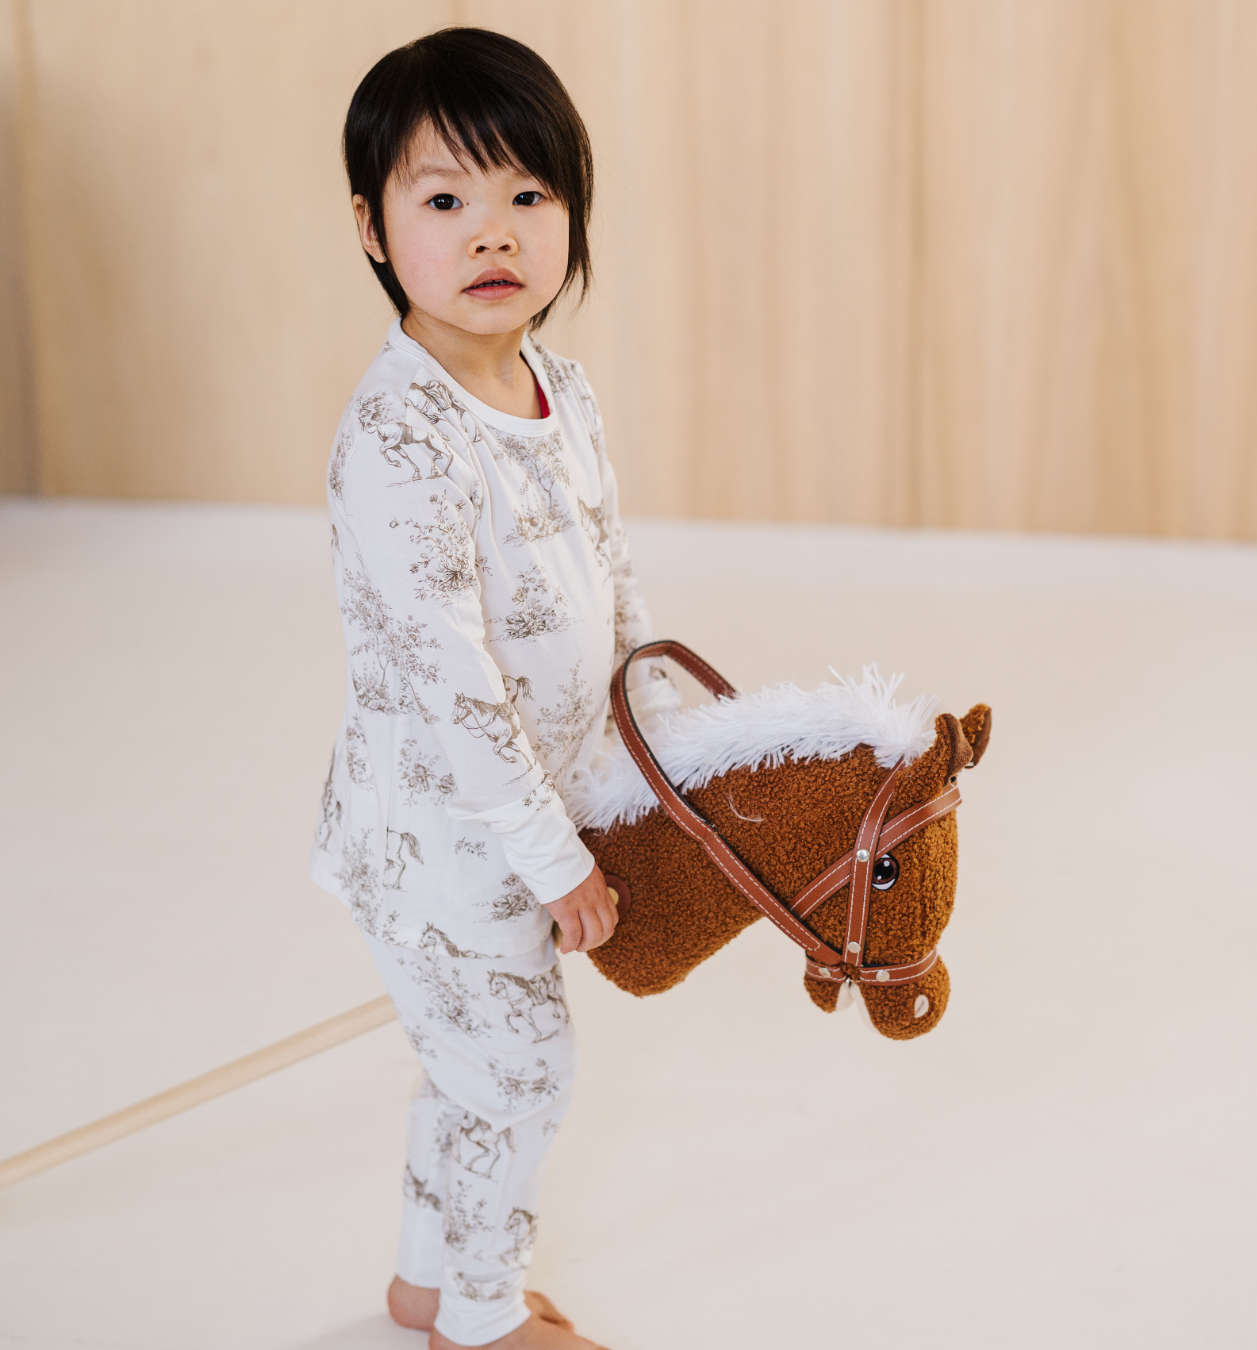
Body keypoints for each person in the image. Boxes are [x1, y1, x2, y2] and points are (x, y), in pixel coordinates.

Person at [309, 28, 672, 1350]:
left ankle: (425, 1279)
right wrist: (550, 858)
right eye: (445, 199)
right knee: (520, 1068)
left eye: (528, 192)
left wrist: (663, 763)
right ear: (373, 225)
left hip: (538, 816)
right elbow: (453, 686)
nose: (492, 232)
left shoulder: (558, 389)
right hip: (442, 841)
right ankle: (478, 1312)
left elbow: (616, 588)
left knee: (473, 1067)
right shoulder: (400, 435)